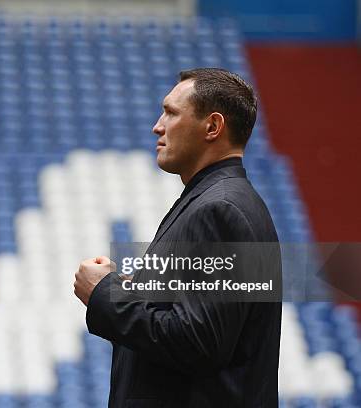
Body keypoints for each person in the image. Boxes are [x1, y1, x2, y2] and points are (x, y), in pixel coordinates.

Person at [74, 68, 282, 407]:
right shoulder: (218, 201)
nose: (158, 126)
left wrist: (106, 295)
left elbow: (198, 342)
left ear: (212, 127)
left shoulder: (220, 210)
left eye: (171, 113)